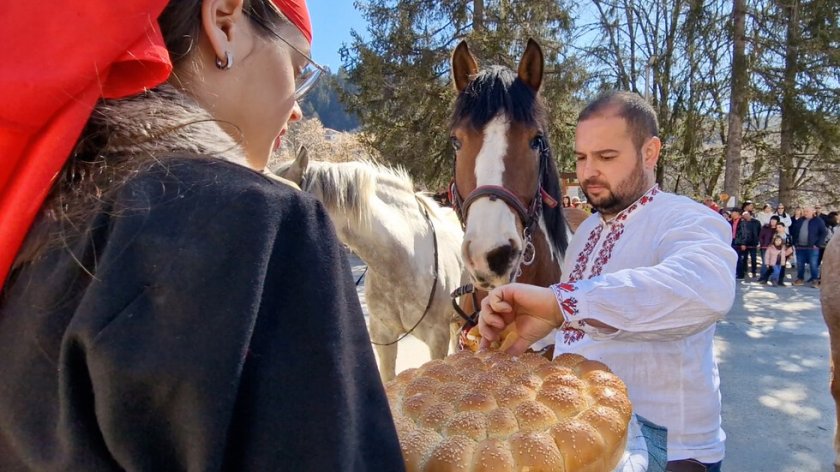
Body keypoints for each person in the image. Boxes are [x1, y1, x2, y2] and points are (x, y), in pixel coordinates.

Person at [0, 1, 404, 470]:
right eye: (298, 69)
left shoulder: (39, 232)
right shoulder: (262, 226)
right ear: (225, 22)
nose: (296, 111)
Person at [478, 91, 735, 471]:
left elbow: (706, 288)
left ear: (650, 153)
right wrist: (538, 326)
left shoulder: (687, 219)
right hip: (589, 440)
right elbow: (581, 318)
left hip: (671, 448)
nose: (588, 172)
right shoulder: (586, 232)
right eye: (582, 158)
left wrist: (561, 304)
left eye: (607, 157)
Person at [790, 207, 828, 288]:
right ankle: (800, 279)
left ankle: (815, 280)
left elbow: (824, 232)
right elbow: (794, 231)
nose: (805, 212)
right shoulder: (800, 220)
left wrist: (817, 244)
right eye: (804, 211)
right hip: (800, 247)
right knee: (800, 264)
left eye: (807, 211)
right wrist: (795, 243)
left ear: (812, 212)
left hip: (812, 248)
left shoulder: (818, 221)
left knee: (813, 264)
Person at [730, 208, 751, 279]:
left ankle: (740, 274)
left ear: (737, 213)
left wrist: (743, 243)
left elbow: (745, 233)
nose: (731, 213)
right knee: (732, 258)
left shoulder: (742, 222)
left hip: (738, 242)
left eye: (733, 212)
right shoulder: (730, 221)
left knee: (738, 258)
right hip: (731, 241)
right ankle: (734, 272)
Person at [741, 211, 761, 278]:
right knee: (744, 258)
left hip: (754, 243)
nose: (746, 216)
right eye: (744, 215)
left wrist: (759, 242)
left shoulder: (756, 222)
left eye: (747, 215)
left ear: (750, 214)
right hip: (745, 243)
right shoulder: (742, 222)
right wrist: (742, 243)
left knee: (753, 258)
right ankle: (744, 270)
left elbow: (759, 232)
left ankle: (754, 271)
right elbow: (741, 233)